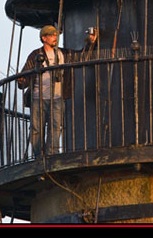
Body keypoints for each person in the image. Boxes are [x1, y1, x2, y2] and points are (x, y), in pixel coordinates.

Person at [18, 25, 97, 157]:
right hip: (38, 98)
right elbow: (25, 76)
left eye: (56, 35)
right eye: (52, 35)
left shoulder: (63, 54)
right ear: (44, 38)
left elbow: (82, 57)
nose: (55, 38)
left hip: (58, 97)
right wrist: (22, 81)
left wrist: (90, 42)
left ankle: (52, 155)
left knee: (56, 128)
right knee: (36, 129)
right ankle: (39, 155)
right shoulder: (35, 55)